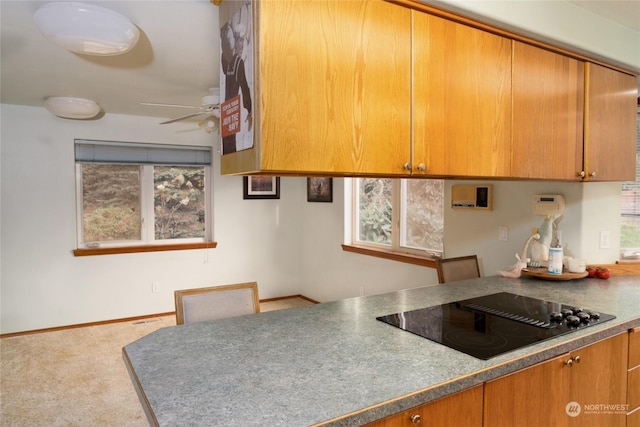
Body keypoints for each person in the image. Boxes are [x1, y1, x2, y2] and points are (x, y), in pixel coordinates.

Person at [220, 23, 252, 154]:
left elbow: (244, 87)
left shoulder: (227, 59)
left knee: (229, 145)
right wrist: (249, 110)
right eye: (235, 38)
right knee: (230, 145)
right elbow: (244, 87)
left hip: (229, 112)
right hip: (233, 112)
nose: (239, 43)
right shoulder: (236, 61)